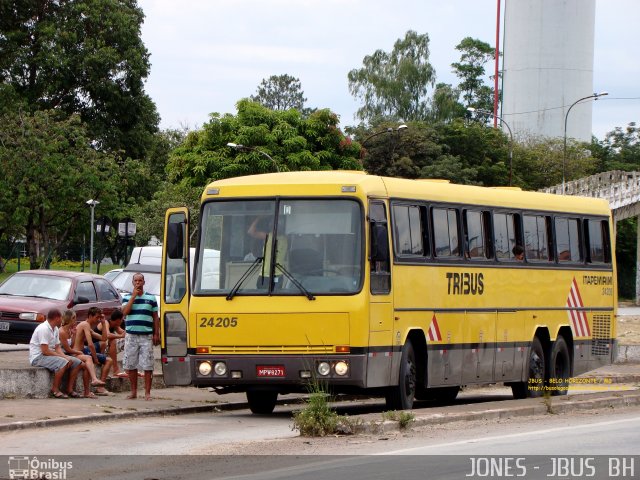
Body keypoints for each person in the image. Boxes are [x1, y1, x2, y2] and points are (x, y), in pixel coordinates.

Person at [29, 308, 85, 398]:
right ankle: (55, 389)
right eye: (61, 318)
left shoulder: (55, 329)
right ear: (57, 318)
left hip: (48, 354)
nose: (62, 320)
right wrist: (63, 358)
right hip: (38, 357)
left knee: (77, 362)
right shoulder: (43, 329)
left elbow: (57, 347)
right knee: (62, 363)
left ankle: (69, 389)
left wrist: (65, 356)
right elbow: (45, 351)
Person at [121, 272, 159, 400]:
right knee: (131, 364)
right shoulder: (126, 297)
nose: (138, 283)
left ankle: (147, 393)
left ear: (144, 282)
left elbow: (155, 317)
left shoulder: (151, 298)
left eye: (140, 281)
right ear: (133, 283)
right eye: (135, 281)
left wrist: (156, 333)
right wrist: (133, 297)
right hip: (131, 335)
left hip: (146, 335)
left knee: (148, 365)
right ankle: (133, 392)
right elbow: (125, 313)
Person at [59, 309, 104, 398]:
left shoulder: (69, 330)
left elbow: (71, 345)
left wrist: (74, 334)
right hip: (63, 354)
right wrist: (79, 352)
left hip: (69, 353)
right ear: (70, 319)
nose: (75, 321)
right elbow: (68, 349)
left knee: (86, 365)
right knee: (88, 358)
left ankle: (85, 391)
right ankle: (94, 379)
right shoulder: (62, 331)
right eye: (74, 319)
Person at [72, 307, 112, 394]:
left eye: (99, 318)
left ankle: (95, 389)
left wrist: (103, 323)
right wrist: (96, 359)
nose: (98, 320)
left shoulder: (87, 326)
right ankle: (94, 384)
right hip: (76, 353)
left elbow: (104, 338)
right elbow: (90, 344)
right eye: (97, 317)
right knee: (93, 360)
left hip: (83, 351)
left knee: (107, 358)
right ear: (90, 316)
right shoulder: (84, 324)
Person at [96, 309, 127, 378]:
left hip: (104, 348)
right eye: (121, 319)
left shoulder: (115, 326)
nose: (122, 321)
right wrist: (120, 336)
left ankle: (129, 367)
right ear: (117, 320)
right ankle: (115, 370)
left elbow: (124, 333)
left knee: (128, 340)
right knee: (112, 340)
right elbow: (108, 335)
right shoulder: (106, 322)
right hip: (97, 347)